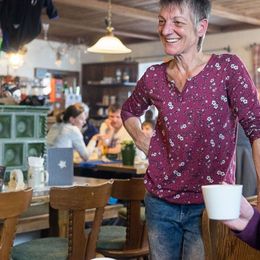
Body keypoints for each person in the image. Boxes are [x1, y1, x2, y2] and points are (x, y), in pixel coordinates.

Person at [120, 0, 260, 259]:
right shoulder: (153, 76)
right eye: (162, 21)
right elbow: (129, 110)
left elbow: (256, 127)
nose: (165, 30)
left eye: (177, 22)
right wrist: (140, 136)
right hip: (160, 201)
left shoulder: (227, 68)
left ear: (201, 28)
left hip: (210, 205)